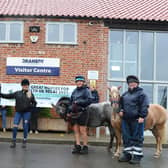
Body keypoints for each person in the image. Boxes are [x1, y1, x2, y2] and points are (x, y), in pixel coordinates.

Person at [118, 75, 149, 164]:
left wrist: (142, 116)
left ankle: (137, 156)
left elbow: (144, 106)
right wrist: (120, 110)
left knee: (137, 137)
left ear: (137, 84)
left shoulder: (142, 94)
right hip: (126, 119)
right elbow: (120, 104)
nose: (131, 84)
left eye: (133, 83)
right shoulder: (125, 94)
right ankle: (127, 154)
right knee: (126, 137)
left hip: (137, 119)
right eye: (130, 83)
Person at [0, 79, 37, 148]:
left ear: (28, 86)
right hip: (18, 112)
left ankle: (24, 141)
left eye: (27, 85)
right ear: (22, 86)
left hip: (27, 113)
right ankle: (14, 141)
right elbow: (8, 96)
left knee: (25, 127)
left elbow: (35, 103)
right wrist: (1, 94)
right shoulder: (17, 93)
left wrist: (30, 100)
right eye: (24, 85)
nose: (25, 86)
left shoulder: (30, 94)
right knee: (15, 126)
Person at [68, 75, 92, 154]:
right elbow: (71, 101)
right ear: (76, 82)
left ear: (83, 82)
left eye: (80, 81)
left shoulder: (86, 90)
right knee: (76, 130)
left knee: (82, 130)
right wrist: (69, 110)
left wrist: (79, 102)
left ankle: (85, 147)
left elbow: (89, 100)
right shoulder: (74, 91)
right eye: (77, 81)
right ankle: (78, 146)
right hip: (74, 113)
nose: (79, 83)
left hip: (83, 112)